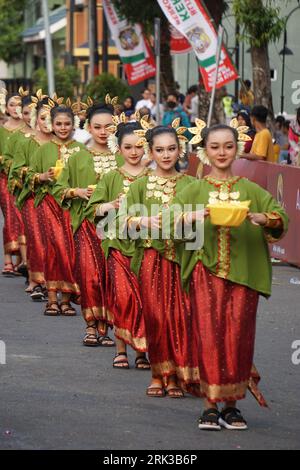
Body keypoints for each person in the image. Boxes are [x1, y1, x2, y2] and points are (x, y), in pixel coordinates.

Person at [171, 122, 288, 430]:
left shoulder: (251, 190)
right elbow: (170, 225)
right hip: (203, 270)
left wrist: (263, 218)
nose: (221, 152)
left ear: (237, 149)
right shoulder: (191, 190)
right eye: (215, 147)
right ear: (204, 151)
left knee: (238, 337)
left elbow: (280, 218)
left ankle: (232, 405)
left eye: (228, 146)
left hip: (244, 276)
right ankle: (210, 405)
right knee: (208, 336)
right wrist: (189, 217)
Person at [120, 123, 197, 397]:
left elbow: (201, 230)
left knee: (180, 317)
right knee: (155, 317)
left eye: (172, 149)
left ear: (180, 150)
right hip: (151, 260)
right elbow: (119, 223)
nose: (166, 155)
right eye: (160, 150)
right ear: (150, 153)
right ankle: (157, 373)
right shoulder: (140, 185)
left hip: (183, 263)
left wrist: (191, 223)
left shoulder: (191, 184)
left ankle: (175, 376)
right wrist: (141, 220)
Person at [52, 102, 121, 347]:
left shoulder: (124, 157)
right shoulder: (77, 156)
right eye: (98, 127)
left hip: (117, 227)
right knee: (91, 276)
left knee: (113, 279)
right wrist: (76, 191)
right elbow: (58, 188)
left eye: (109, 127)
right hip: (87, 225)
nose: (103, 132)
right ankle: (92, 325)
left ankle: (109, 328)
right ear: (88, 128)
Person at [85, 120, 150, 369]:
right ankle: (121, 348)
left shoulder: (153, 178)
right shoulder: (111, 177)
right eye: (128, 146)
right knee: (122, 299)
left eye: (139, 146)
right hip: (117, 246)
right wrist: (111, 205)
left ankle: (142, 352)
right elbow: (94, 210)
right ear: (118, 148)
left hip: (146, 248)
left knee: (144, 301)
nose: (134, 152)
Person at [26, 99, 85, 316]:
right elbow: (29, 176)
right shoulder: (43, 149)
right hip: (49, 204)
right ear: (51, 124)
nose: (62, 128)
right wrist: (42, 177)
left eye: (66, 124)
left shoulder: (81, 150)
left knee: (70, 251)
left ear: (74, 124)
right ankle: (52, 298)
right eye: (58, 124)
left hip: (73, 207)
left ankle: (67, 299)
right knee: (54, 249)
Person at [9, 93, 52, 300]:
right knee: (36, 239)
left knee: (53, 242)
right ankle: (36, 280)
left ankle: (54, 283)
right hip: (32, 197)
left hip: (57, 200)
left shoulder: (63, 144)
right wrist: (39, 176)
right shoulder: (26, 142)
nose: (47, 122)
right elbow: (17, 170)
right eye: (43, 118)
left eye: (50, 118)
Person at [0, 89, 26, 277]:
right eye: (12, 105)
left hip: (25, 180)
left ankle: (21, 261)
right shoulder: (2, 130)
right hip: (5, 179)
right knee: (10, 216)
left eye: (20, 105)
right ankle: (8, 258)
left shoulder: (30, 132)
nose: (16, 109)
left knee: (23, 218)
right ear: (6, 108)